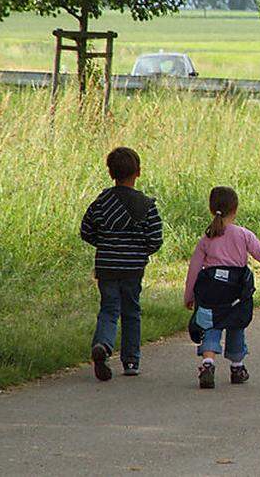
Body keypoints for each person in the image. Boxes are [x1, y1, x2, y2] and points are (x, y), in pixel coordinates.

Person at [184, 186, 260, 389]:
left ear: (211, 208)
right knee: (236, 324)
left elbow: (194, 269)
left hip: (211, 291)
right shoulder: (243, 234)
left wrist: (189, 296)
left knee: (210, 324)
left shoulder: (207, 238)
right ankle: (237, 366)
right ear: (236, 209)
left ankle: (208, 362)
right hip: (236, 291)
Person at [80, 147, 163, 381]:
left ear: (110, 173)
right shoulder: (147, 205)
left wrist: (105, 244)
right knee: (131, 311)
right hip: (133, 268)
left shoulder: (101, 202)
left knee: (108, 309)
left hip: (106, 265)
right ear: (138, 172)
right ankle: (130, 360)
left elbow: (86, 230)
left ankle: (103, 346)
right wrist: (140, 251)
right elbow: (155, 238)